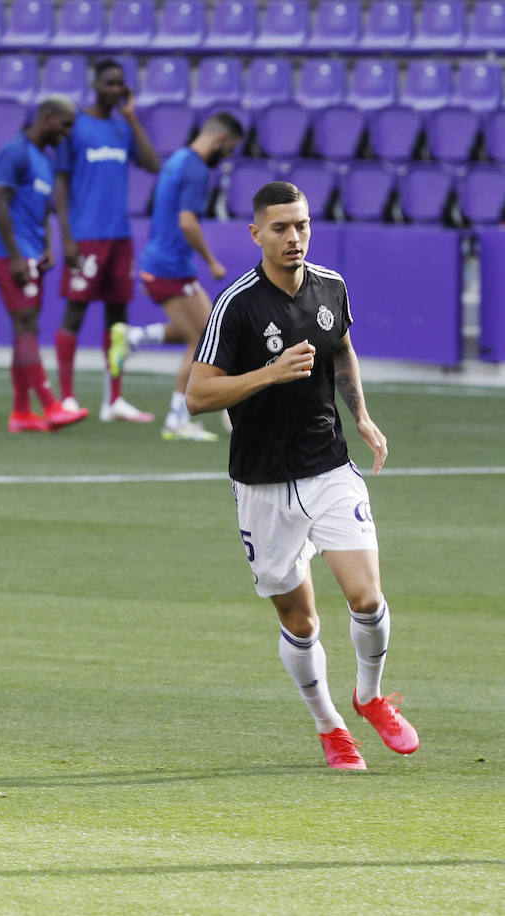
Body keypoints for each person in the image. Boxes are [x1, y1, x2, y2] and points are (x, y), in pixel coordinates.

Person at [186, 182, 419, 770]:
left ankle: (369, 696)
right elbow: (197, 395)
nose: (294, 238)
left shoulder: (331, 287)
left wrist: (361, 415)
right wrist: (268, 373)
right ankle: (329, 727)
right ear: (257, 234)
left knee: (366, 597)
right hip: (261, 482)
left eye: (303, 226)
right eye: (282, 228)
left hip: (327, 468)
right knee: (301, 618)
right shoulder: (235, 305)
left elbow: (341, 348)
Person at [117, 112, 245, 442]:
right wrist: (212, 261)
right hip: (170, 265)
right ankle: (176, 419)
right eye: (228, 149)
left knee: (204, 330)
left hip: (163, 262)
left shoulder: (177, 159)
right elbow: (188, 223)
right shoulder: (196, 170)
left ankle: (134, 338)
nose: (226, 156)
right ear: (220, 140)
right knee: (203, 339)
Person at [53, 59, 162, 423]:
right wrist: (66, 235)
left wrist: (132, 117)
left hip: (119, 236)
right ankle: (66, 397)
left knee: (118, 321)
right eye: (110, 83)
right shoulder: (76, 128)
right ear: (95, 84)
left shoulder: (122, 128)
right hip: (85, 237)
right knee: (75, 312)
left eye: (121, 84)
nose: (116, 90)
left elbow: (151, 164)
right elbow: (61, 181)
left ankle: (113, 398)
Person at [0, 96, 90, 433]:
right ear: (47, 119)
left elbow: (40, 209)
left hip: (29, 253)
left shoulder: (43, 160)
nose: (68, 132)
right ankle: (50, 406)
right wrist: (15, 255)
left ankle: (21, 413)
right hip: (7, 253)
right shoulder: (15, 151)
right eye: (65, 124)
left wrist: (46, 246)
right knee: (26, 323)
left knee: (25, 328)